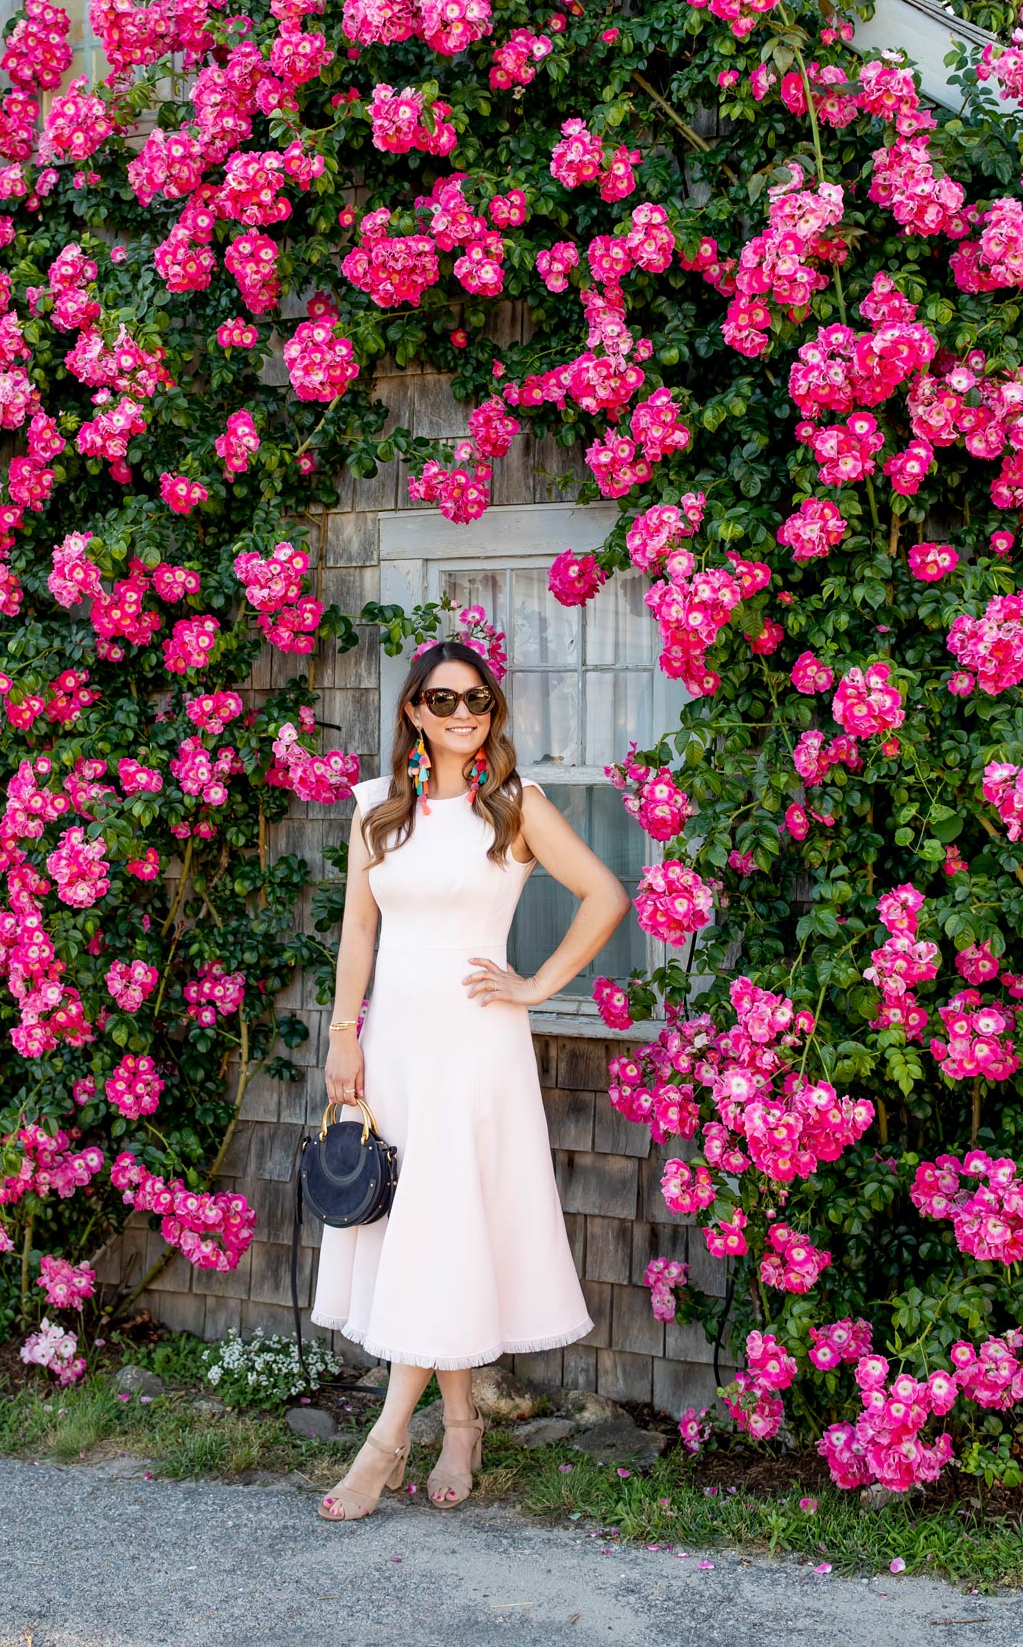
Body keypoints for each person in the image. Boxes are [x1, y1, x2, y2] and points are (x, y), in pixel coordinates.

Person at [309, 638, 631, 1521]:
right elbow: (359, 938)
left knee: (441, 1224)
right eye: (444, 701)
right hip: (397, 1045)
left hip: (476, 1046)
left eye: (478, 702)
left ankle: (383, 1441)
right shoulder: (376, 809)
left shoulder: (514, 806)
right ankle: (459, 1423)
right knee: (426, 1232)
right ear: (414, 709)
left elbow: (605, 895)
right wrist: (345, 1034)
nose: (463, 716)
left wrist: (535, 984)